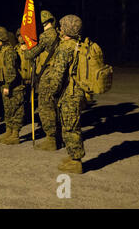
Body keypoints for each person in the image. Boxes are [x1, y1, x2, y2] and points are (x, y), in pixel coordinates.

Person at [48, 14, 85, 174]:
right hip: (77, 91)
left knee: (70, 127)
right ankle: (72, 156)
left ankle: (76, 161)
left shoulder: (65, 47)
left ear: (67, 29)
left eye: (62, 26)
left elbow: (58, 74)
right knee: (72, 124)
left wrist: (52, 91)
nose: (60, 29)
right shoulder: (79, 43)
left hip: (69, 94)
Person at [21, 10, 60, 150]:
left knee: (45, 107)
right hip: (57, 74)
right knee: (55, 105)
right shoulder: (59, 34)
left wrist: (25, 49)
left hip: (47, 75)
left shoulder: (46, 36)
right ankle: (57, 136)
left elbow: (32, 54)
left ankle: (51, 140)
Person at [0, 26, 26, 144]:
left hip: (14, 86)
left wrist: (7, 85)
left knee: (16, 110)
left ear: (3, 39)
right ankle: (8, 131)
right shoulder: (1, 51)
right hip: (6, 85)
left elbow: (11, 71)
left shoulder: (9, 52)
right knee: (8, 110)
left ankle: (15, 134)